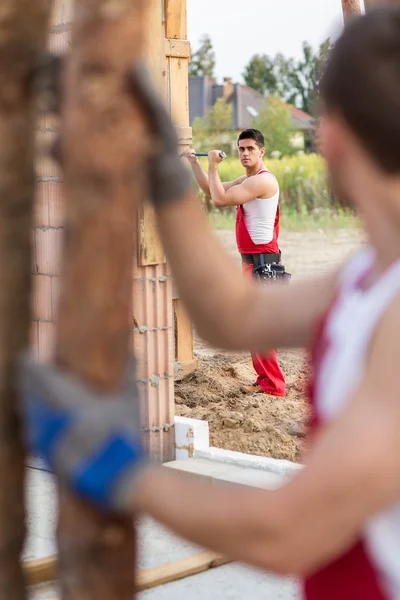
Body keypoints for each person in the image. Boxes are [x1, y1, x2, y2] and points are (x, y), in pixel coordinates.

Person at [21, 8, 400, 599]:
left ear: (331, 137)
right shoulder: (372, 274)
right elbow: (232, 314)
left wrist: (121, 472)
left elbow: (290, 531)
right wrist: (166, 173)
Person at [182, 131, 286, 397]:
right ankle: (265, 380)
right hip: (252, 264)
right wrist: (196, 164)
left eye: (250, 148)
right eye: (241, 149)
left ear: (261, 151)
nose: (245, 154)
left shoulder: (262, 182)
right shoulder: (248, 180)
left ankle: (273, 386)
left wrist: (213, 165)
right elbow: (211, 189)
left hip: (263, 265)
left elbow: (219, 201)